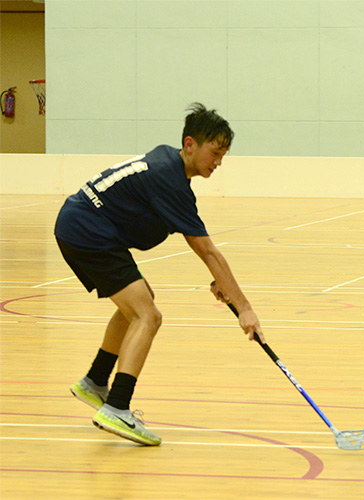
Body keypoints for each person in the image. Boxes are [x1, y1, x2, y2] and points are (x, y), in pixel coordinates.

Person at [56, 103, 265, 446]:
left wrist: (223, 283)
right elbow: (208, 251)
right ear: (189, 145)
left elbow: (204, 252)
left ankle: (94, 381)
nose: (218, 162)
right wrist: (245, 308)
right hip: (87, 230)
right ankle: (117, 407)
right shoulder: (169, 180)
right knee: (147, 316)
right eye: (215, 152)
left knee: (140, 303)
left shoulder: (168, 165)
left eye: (223, 154)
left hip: (83, 223)